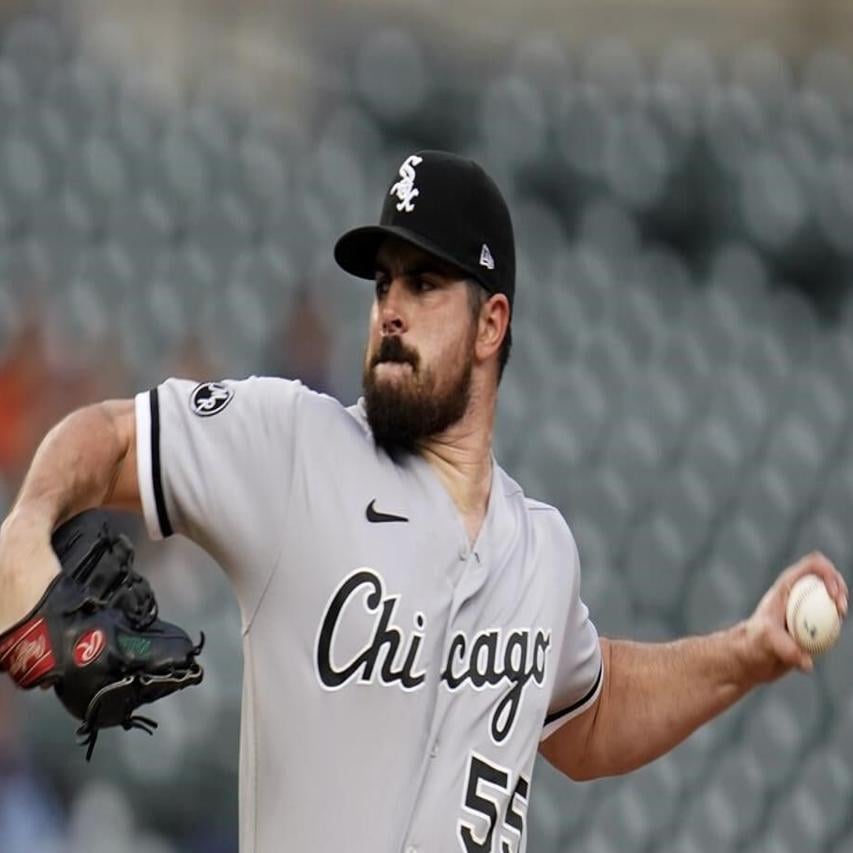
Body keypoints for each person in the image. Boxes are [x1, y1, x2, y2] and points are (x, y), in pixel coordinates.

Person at [0, 150, 846, 853]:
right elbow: (110, 436)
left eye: (424, 283)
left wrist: (746, 650)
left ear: (490, 324)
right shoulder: (296, 447)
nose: (391, 310)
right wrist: (28, 528)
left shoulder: (541, 549)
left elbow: (592, 717)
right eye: (382, 284)